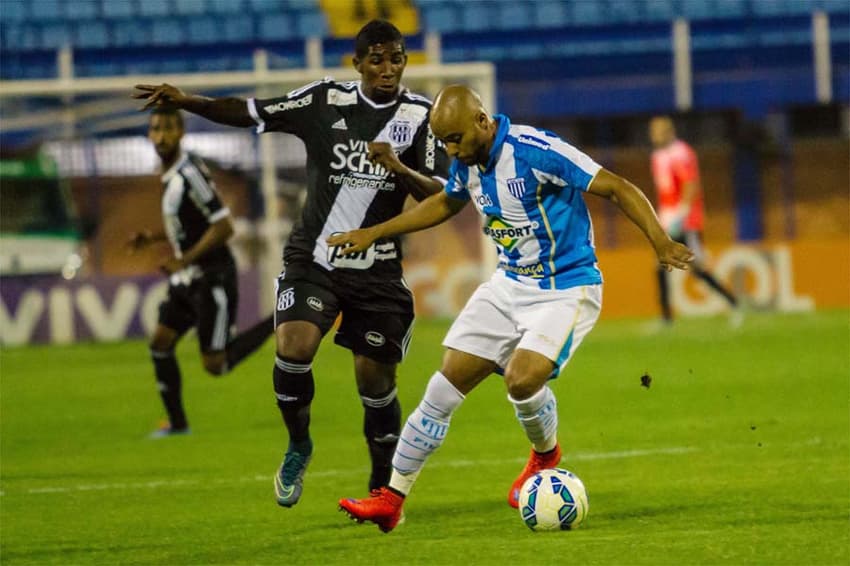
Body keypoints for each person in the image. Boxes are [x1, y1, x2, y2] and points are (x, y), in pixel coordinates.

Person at [332, 85, 694, 532]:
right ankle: (391, 499)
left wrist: (659, 240)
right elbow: (447, 201)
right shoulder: (467, 163)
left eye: (455, 139)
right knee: (442, 388)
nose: (450, 149)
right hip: (509, 284)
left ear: (482, 121)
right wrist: (375, 232)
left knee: (522, 380)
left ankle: (545, 456)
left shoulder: (534, 150)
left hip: (566, 287)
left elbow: (616, 187)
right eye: (443, 141)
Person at [133, 20, 450, 506]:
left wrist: (400, 168)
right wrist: (189, 101)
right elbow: (250, 111)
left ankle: (382, 486)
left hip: (378, 269)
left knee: (375, 382)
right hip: (314, 259)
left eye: (397, 59)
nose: (388, 69)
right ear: (358, 63)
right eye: (378, 59)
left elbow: (443, 199)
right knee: (294, 346)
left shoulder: (422, 117)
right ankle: (299, 443)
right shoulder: (325, 101)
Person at [128, 107, 275, 438]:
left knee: (216, 364)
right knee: (160, 342)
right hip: (188, 278)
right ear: (149, 135)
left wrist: (185, 259)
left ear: (180, 132)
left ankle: (278, 319)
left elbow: (224, 226)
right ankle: (178, 424)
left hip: (213, 275)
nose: (161, 135)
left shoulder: (189, 173)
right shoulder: (169, 176)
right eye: (156, 129)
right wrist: (151, 237)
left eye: (168, 128)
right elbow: (189, 226)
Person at [648, 116, 739, 325]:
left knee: (696, 267)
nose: (653, 135)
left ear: (669, 131)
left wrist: (681, 214)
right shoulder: (658, 156)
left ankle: (732, 302)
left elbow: (691, 185)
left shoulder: (681, 153)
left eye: (658, 131)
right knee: (661, 266)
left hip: (686, 220)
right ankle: (666, 317)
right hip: (668, 219)